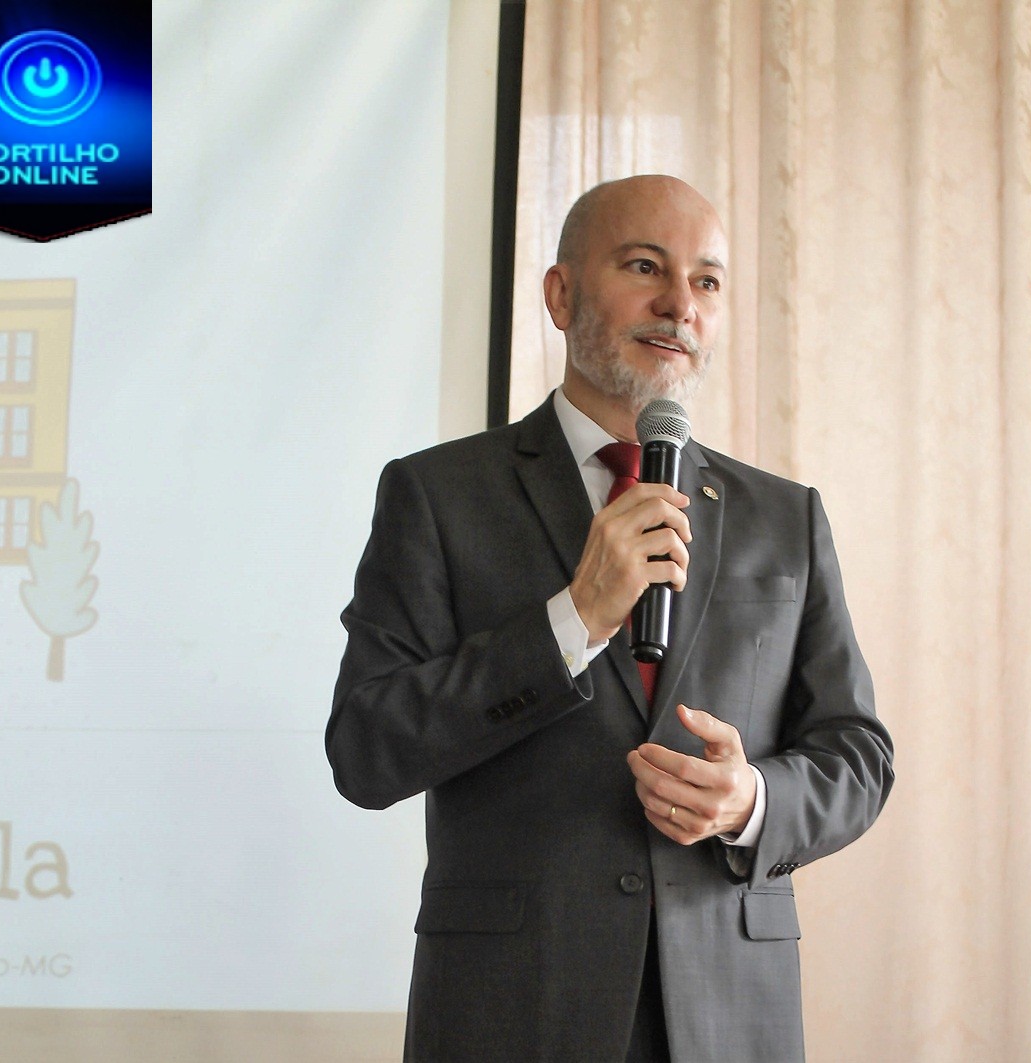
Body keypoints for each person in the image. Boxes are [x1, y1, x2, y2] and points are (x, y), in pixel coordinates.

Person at [326, 175, 893, 1062]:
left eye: (706, 281)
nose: (679, 304)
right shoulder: (438, 495)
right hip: (510, 1012)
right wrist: (572, 620)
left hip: (727, 1015)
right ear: (561, 294)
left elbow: (857, 755)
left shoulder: (785, 516)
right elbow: (366, 748)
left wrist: (752, 800)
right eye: (644, 266)